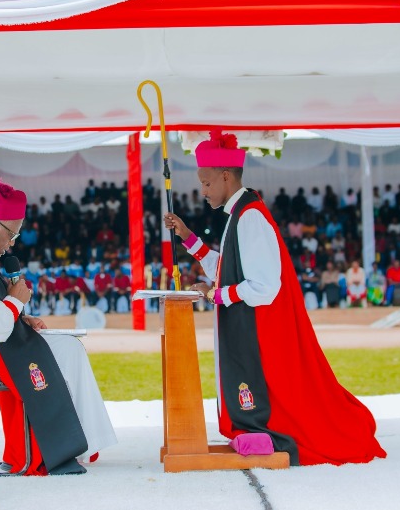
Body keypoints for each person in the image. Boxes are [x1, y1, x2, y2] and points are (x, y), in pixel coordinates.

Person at [163, 130, 385, 466]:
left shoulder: (249, 217)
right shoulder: (240, 213)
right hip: (248, 325)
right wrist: (188, 238)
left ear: (225, 176)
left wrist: (217, 295)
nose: (203, 191)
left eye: (206, 183)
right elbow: (226, 267)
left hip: (259, 330)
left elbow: (265, 286)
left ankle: (263, 431)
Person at [0, 179, 116, 476]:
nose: (12, 245)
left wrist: (20, 316)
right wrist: (16, 304)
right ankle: (64, 447)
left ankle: (81, 442)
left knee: (69, 347)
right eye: (11, 235)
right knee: (66, 351)